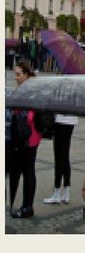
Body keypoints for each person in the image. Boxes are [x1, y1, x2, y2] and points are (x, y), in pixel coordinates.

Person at [8, 61, 41, 219]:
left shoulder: (31, 91)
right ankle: (24, 205)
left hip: (30, 136)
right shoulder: (24, 89)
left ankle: (27, 207)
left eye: (19, 74)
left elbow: (31, 115)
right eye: (15, 74)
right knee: (26, 170)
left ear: (27, 75)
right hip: (24, 136)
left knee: (28, 171)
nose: (16, 77)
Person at [43, 111, 78, 205]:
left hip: (61, 120)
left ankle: (57, 192)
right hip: (70, 121)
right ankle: (66, 191)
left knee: (59, 156)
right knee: (65, 155)